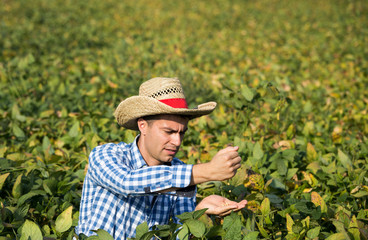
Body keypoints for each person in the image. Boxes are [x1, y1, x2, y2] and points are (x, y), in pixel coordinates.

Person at [75, 77, 247, 239]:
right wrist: (206, 171)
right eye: (169, 132)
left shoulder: (182, 173)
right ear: (143, 126)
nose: (177, 141)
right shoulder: (106, 155)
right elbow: (126, 183)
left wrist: (200, 211)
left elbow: (180, 235)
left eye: (182, 133)